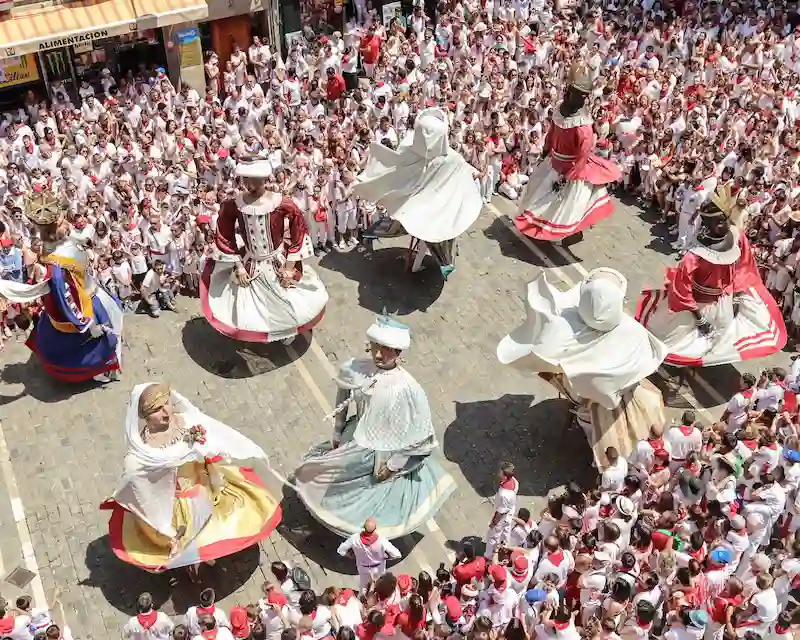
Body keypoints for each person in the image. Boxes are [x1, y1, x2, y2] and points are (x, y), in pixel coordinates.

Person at [293, 313, 455, 538]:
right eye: (375, 346)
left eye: (386, 349)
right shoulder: (354, 368)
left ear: (398, 352)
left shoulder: (409, 390)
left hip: (385, 454)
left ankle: (363, 533)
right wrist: (337, 430)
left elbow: (420, 439)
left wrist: (392, 466)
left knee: (372, 497)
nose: (378, 354)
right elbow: (342, 398)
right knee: (332, 479)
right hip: (355, 437)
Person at [100, 382, 282, 578]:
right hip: (175, 505)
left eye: (167, 404)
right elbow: (137, 485)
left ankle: (203, 557)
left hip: (203, 484)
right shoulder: (142, 455)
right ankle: (191, 563)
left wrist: (210, 461)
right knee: (186, 539)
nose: (166, 412)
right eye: (156, 410)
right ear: (145, 416)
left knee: (216, 526)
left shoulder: (187, 424)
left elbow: (211, 442)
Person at [497, 268, 667, 465]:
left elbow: (540, 359)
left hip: (584, 396)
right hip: (618, 395)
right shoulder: (635, 334)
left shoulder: (560, 327)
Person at [636, 185, 787, 367]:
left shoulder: (738, 238)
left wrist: (737, 297)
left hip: (723, 299)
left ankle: (704, 359)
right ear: (706, 224)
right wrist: (699, 318)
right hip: (695, 303)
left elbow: (743, 268)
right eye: (713, 222)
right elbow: (682, 291)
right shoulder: (693, 257)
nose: (719, 225)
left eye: (722, 220)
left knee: (720, 336)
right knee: (665, 339)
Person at [201, 158, 328, 345]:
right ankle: (264, 331)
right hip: (251, 262)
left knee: (285, 298)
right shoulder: (234, 205)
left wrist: (290, 264)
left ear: (264, 179)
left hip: (276, 260)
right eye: (246, 179)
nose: (249, 184)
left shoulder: (281, 203)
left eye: (254, 180)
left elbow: (298, 228)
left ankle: (286, 330)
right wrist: (238, 265)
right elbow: (224, 234)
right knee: (253, 303)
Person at [0, 191, 122, 383]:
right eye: (61, 222)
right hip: (85, 304)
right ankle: (99, 370)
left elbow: (71, 240)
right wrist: (87, 324)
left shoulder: (60, 240)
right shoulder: (56, 266)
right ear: (51, 230)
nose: (67, 223)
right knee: (100, 339)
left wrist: (81, 241)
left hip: (90, 287)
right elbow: (65, 297)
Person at [355, 108, 482, 278]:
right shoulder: (446, 158)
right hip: (428, 210)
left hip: (432, 209)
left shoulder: (415, 150)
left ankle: (427, 262)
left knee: (431, 237)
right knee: (430, 237)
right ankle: (424, 264)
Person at [514, 63, 621, 244]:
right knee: (538, 192)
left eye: (581, 95)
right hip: (555, 160)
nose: (577, 97)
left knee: (567, 205)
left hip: (571, 168)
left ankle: (567, 233)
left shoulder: (583, 126)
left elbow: (583, 155)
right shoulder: (559, 110)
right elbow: (552, 133)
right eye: (574, 92)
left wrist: (569, 176)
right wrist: (546, 150)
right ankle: (537, 227)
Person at [337, 517, 402, 592]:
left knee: (363, 585)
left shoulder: (354, 539)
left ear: (364, 527)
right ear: (375, 529)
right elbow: (397, 554)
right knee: (378, 585)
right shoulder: (382, 541)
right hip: (379, 568)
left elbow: (341, 550)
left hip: (363, 568)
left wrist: (351, 556)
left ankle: (362, 598)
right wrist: (386, 557)